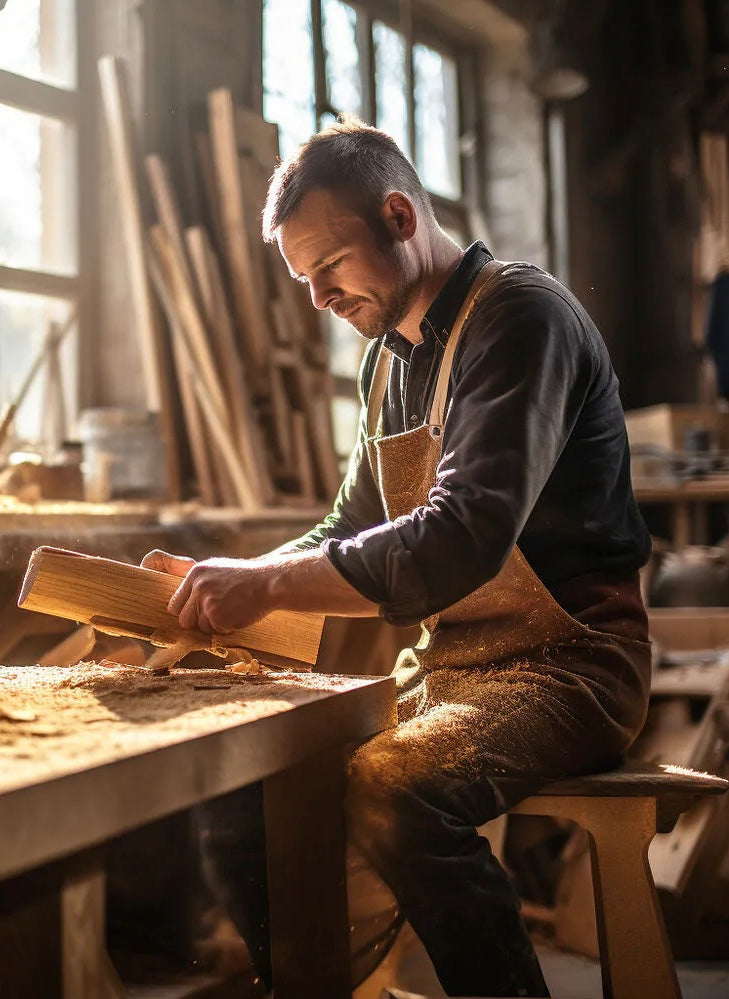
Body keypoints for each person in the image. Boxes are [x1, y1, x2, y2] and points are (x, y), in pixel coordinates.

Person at [142, 119, 652, 998]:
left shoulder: (521, 317)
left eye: (329, 268)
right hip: (449, 667)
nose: (317, 299)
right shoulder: (387, 361)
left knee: (392, 789)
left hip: (572, 667)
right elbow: (346, 525)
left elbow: (461, 536)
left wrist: (261, 584)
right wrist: (208, 591)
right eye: (303, 279)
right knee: (241, 784)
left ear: (398, 214)